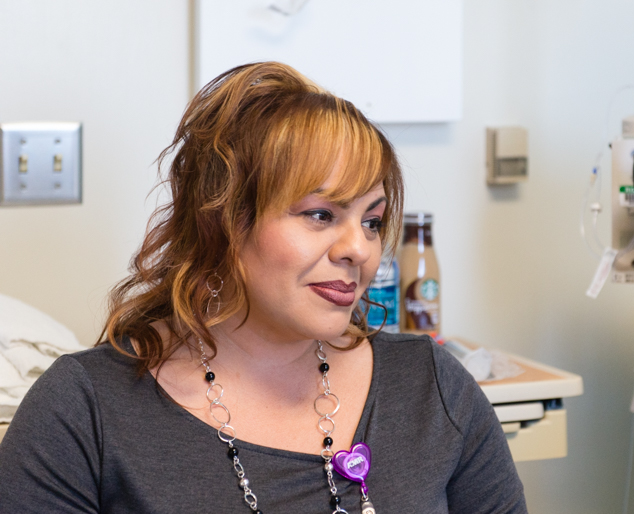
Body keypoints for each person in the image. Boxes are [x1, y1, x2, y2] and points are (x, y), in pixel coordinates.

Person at [0, 62, 527, 513]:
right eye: (321, 215)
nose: (361, 250)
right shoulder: (83, 410)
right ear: (225, 223)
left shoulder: (431, 387)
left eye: (371, 220)